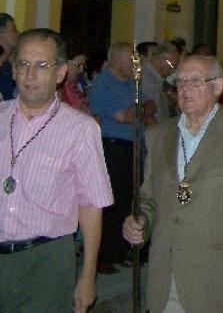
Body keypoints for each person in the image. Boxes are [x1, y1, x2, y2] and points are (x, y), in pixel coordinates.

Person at [0, 28, 112, 313]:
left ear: (60, 73)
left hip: (45, 262)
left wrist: (88, 275)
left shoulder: (80, 129)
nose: (31, 74)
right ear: (14, 71)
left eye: (42, 65)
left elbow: (91, 204)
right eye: (23, 64)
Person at [122, 54, 223, 313]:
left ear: (217, 86)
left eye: (195, 81)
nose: (185, 89)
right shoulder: (158, 136)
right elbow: (148, 197)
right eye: (180, 82)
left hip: (220, 281)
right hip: (166, 277)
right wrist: (140, 222)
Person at [89, 41, 148, 275]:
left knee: (128, 201)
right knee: (111, 203)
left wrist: (140, 110)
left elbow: (149, 105)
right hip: (112, 147)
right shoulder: (104, 84)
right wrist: (139, 111)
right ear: (116, 61)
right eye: (130, 60)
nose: (135, 64)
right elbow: (123, 117)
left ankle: (121, 250)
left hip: (131, 147)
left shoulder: (130, 84)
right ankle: (104, 256)